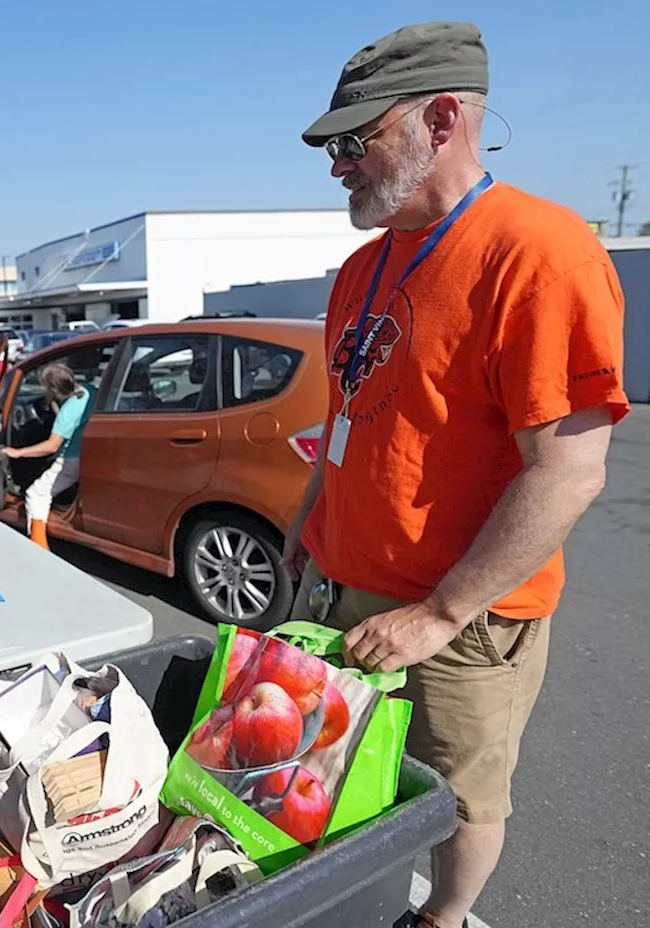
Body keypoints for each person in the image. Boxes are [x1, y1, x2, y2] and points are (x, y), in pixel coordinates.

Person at [288, 22, 628, 928]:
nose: (337, 168)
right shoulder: (363, 266)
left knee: (459, 798)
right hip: (344, 585)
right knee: (341, 769)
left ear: (442, 118)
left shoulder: (539, 253)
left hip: (455, 618)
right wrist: (312, 513)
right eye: (333, 147)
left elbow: (568, 470)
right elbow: (356, 411)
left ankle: (442, 918)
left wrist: (440, 613)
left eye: (355, 142)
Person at [2, 363, 96, 549]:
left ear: (52, 389)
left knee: (36, 494)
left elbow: (51, 447)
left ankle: (40, 547)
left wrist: (18, 452)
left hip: (71, 460)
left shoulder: (68, 411)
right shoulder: (89, 391)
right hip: (89, 454)